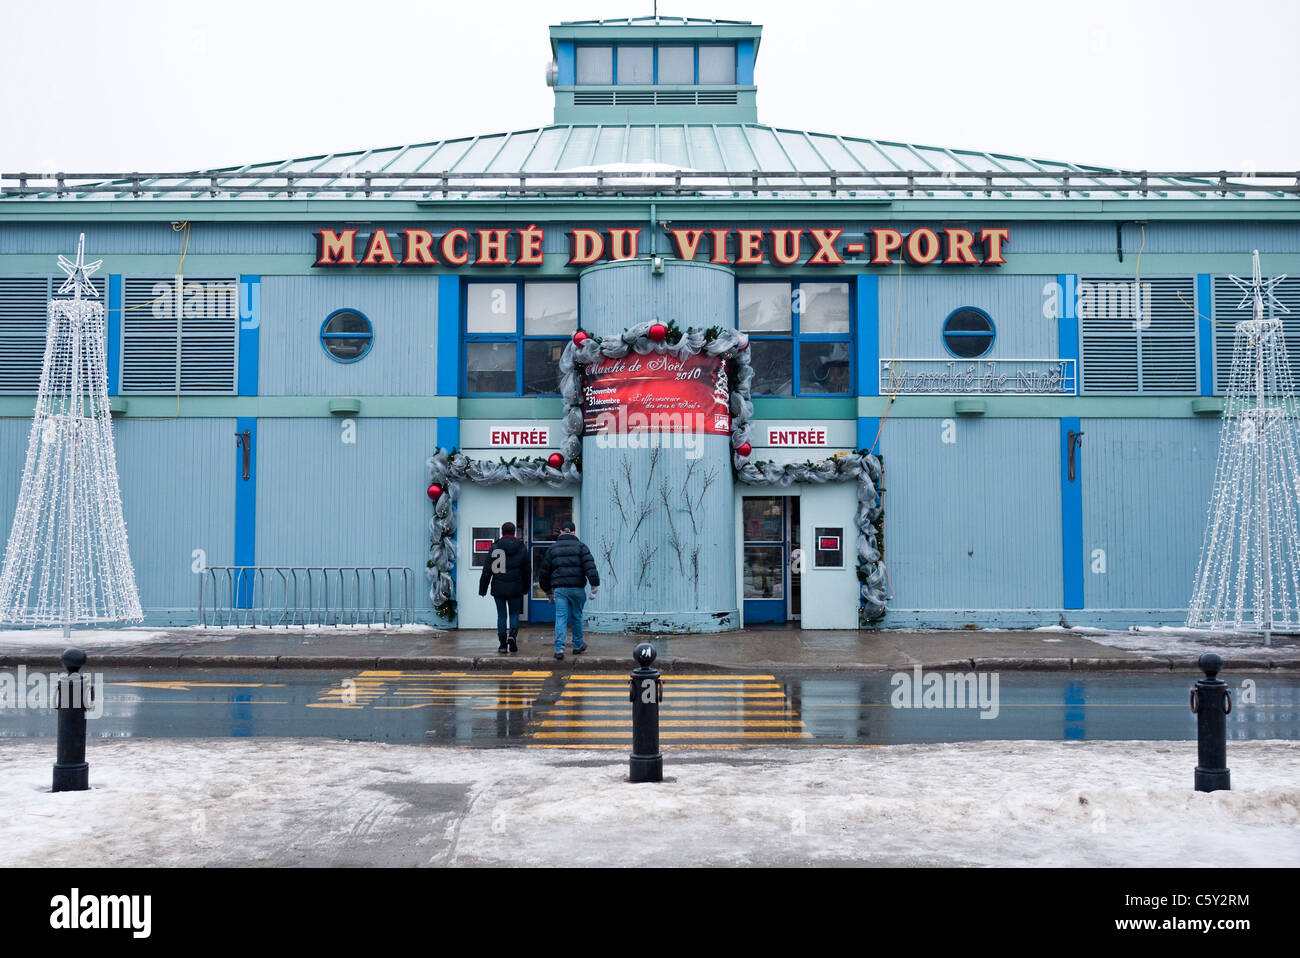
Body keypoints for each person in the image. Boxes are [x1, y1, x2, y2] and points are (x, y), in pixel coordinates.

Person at [536, 518, 599, 660]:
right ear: (574, 531)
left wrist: (547, 591)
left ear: (560, 531)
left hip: (561, 590)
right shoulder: (581, 547)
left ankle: (559, 649)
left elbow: (544, 572)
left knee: (561, 618)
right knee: (577, 616)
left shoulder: (553, 548)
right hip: (577, 588)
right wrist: (594, 586)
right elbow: (590, 567)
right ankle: (577, 646)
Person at [478, 521, 530, 655]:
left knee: (501, 615)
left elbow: (487, 570)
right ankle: (512, 636)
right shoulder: (521, 547)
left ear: (502, 532)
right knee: (514, 614)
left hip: (499, 586)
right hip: (515, 586)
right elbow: (527, 570)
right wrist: (525, 587)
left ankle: (502, 644)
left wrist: (483, 588)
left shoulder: (495, 547)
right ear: (514, 532)